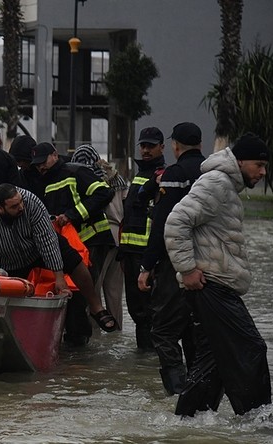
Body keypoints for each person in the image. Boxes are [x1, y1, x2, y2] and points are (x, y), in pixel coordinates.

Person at [165, 133, 271, 416]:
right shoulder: (217, 182)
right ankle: (259, 421)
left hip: (213, 286)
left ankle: (190, 419)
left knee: (212, 362)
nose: (263, 172)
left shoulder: (225, 185)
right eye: (259, 165)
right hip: (212, 286)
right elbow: (176, 222)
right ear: (240, 161)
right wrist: (187, 269)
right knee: (250, 349)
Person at [0, 183, 117, 336]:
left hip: (36, 247)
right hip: (2, 259)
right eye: (14, 206)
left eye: (20, 202)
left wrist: (59, 276)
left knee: (75, 261)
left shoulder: (30, 201)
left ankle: (96, 306)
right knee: (13, 301)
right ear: (0, 209)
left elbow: (47, 240)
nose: (21, 207)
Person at [138, 122, 205, 395]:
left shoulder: (175, 173)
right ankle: (200, 389)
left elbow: (163, 223)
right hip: (208, 263)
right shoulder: (211, 173)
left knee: (163, 331)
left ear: (175, 146)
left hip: (175, 262)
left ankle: (178, 393)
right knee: (193, 330)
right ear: (200, 144)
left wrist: (146, 266)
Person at [26, 142, 117, 344]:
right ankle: (76, 337)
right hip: (71, 245)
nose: (41, 167)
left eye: (43, 162)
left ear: (54, 155)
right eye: (37, 164)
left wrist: (72, 215)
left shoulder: (75, 172)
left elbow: (104, 193)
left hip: (92, 239)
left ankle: (81, 339)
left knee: (81, 291)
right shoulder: (46, 182)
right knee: (72, 292)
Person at [71, 144, 128, 331]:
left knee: (93, 289)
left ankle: (95, 333)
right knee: (115, 292)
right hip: (119, 236)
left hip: (99, 236)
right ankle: (116, 331)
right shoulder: (117, 177)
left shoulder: (89, 178)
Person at [121, 127, 167, 350]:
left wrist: (153, 259)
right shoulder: (140, 175)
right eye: (143, 145)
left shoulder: (162, 176)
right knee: (137, 310)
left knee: (149, 311)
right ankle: (143, 358)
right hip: (130, 252)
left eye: (151, 146)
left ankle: (151, 357)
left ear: (162, 147)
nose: (146, 150)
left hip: (147, 254)